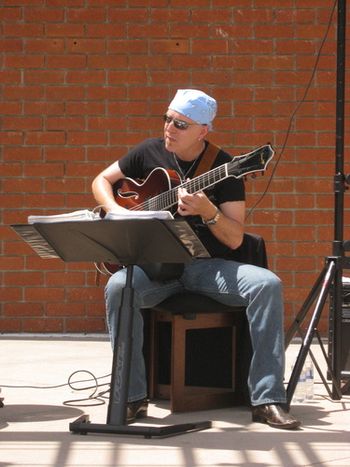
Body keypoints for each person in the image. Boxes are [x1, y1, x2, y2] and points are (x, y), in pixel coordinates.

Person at [92, 89, 301, 430]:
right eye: (167, 119)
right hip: (153, 266)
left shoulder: (225, 167)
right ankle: (130, 397)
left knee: (267, 284)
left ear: (203, 131)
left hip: (206, 266)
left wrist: (209, 213)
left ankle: (267, 400)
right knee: (119, 288)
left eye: (181, 124)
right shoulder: (148, 151)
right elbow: (101, 180)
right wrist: (118, 212)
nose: (169, 129)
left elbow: (235, 237)